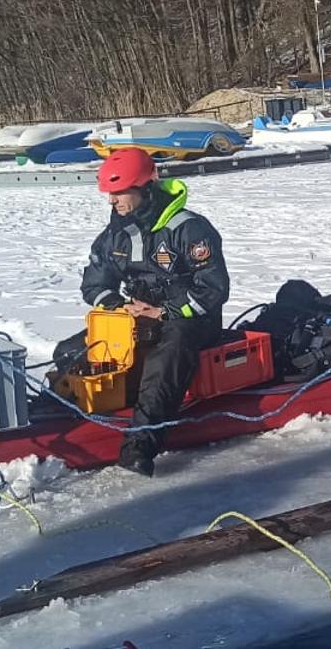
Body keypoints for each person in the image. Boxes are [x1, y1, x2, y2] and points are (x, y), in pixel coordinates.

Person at [80, 148, 230, 476]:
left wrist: (164, 312)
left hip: (191, 320)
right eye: (109, 194)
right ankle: (71, 418)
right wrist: (120, 307)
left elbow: (214, 289)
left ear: (144, 187)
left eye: (119, 193)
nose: (112, 201)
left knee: (167, 355)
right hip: (137, 317)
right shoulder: (113, 235)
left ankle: (139, 447)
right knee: (79, 350)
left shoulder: (189, 229)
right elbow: (94, 285)